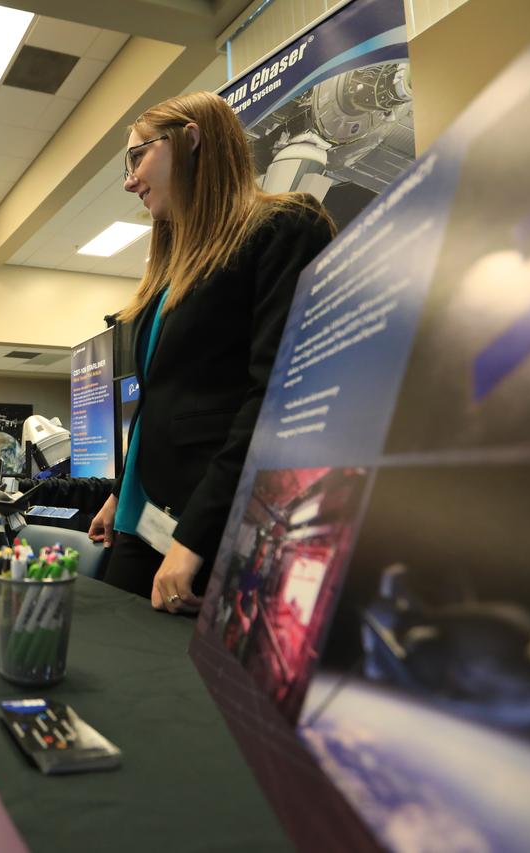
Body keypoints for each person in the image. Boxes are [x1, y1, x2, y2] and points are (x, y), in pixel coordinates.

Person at [87, 91, 335, 614]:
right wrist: (121, 492)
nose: (129, 180)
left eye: (137, 156)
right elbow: (163, 403)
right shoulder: (169, 272)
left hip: (211, 527)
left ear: (191, 140)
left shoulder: (284, 228)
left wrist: (196, 539)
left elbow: (272, 400)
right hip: (145, 514)